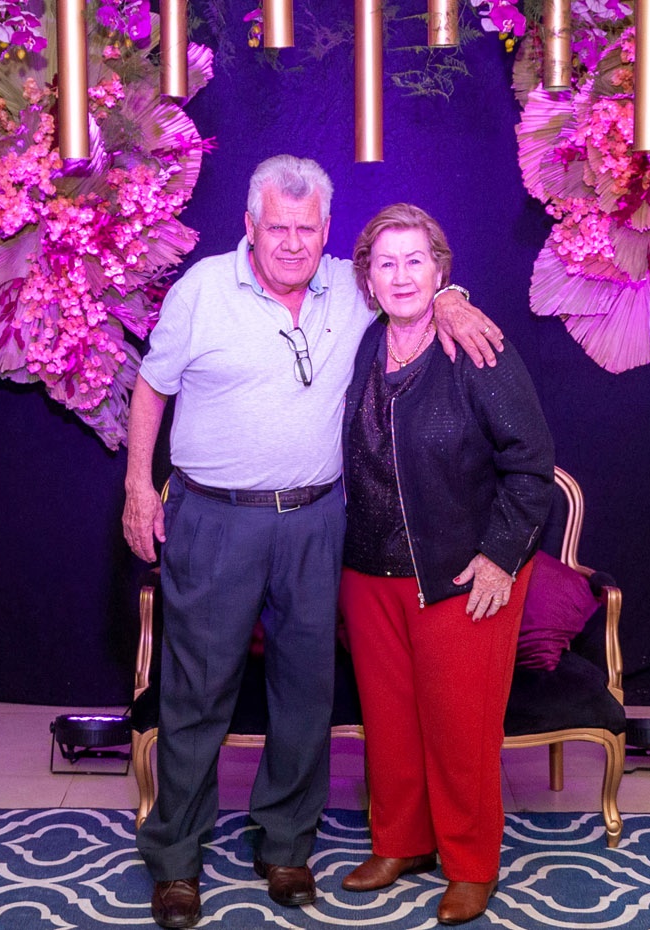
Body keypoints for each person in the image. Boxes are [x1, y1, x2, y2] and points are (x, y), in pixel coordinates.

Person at [121, 156, 502, 930]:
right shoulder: (202, 289)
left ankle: (286, 846)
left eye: (306, 228)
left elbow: (414, 284)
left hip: (317, 520)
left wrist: (453, 296)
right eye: (277, 228)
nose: (292, 243)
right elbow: (153, 387)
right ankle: (176, 860)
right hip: (215, 517)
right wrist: (136, 486)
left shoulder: (351, 288)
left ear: (327, 230)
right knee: (196, 695)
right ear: (249, 227)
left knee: (305, 693)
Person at [336, 203, 554, 925]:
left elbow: (531, 464)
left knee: (461, 731)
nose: (401, 277)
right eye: (386, 263)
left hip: (461, 575)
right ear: (367, 279)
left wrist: (499, 557)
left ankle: (470, 864)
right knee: (389, 724)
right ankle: (400, 843)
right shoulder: (359, 343)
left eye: (416, 262)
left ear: (440, 272)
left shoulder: (475, 346)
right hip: (368, 571)